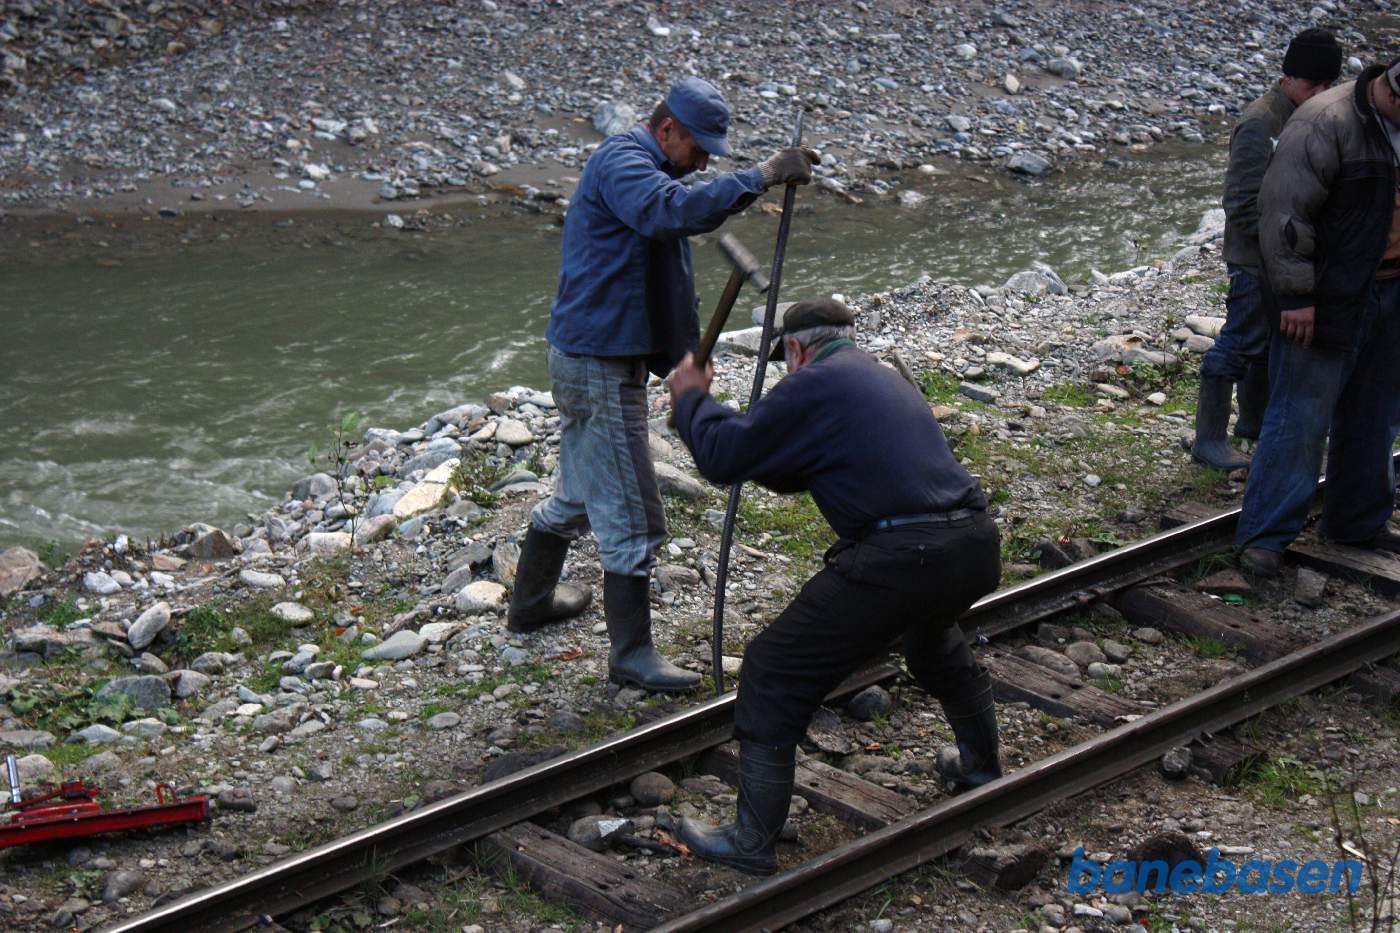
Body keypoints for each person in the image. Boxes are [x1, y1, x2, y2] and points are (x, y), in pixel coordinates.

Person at [665, 299, 1002, 874]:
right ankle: (979, 768)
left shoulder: (814, 383)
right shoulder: (879, 378)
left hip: (904, 556)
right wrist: (721, 428)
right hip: (972, 544)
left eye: (785, 361)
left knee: (773, 667)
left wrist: (692, 398)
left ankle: (751, 840)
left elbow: (725, 457)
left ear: (795, 350)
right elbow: (788, 467)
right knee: (929, 639)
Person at [505, 76, 819, 694]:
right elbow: (669, 213)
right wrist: (758, 176)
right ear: (666, 127)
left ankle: (531, 600)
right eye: (698, 147)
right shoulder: (623, 163)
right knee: (631, 509)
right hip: (596, 362)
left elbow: (663, 260)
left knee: (579, 489)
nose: (703, 160)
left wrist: (682, 362)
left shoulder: (654, 170)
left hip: (598, 355)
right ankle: (631, 654)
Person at [1236, 58, 1400, 577]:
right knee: (1300, 417)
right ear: (1392, 94)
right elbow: (1284, 216)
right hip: (1328, 297)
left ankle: (1357, 521)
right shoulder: (1323, 122)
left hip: (1392, 290)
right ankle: (1265, 537)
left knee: (1376, 416)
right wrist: (1295, 297)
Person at [1193, 28, 1342, 470]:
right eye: (1311, 86)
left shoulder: (1311, 117)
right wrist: (1281, 249)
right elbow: (1240, 202)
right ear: (1287, 77)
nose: (1319, 94)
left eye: (1326, 87)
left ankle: (1253, 425)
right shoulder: (1261, 122)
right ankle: (1208, 440)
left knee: (1271, 342)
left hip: (1290, 258)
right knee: (1240, 341)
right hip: (1255, 259)